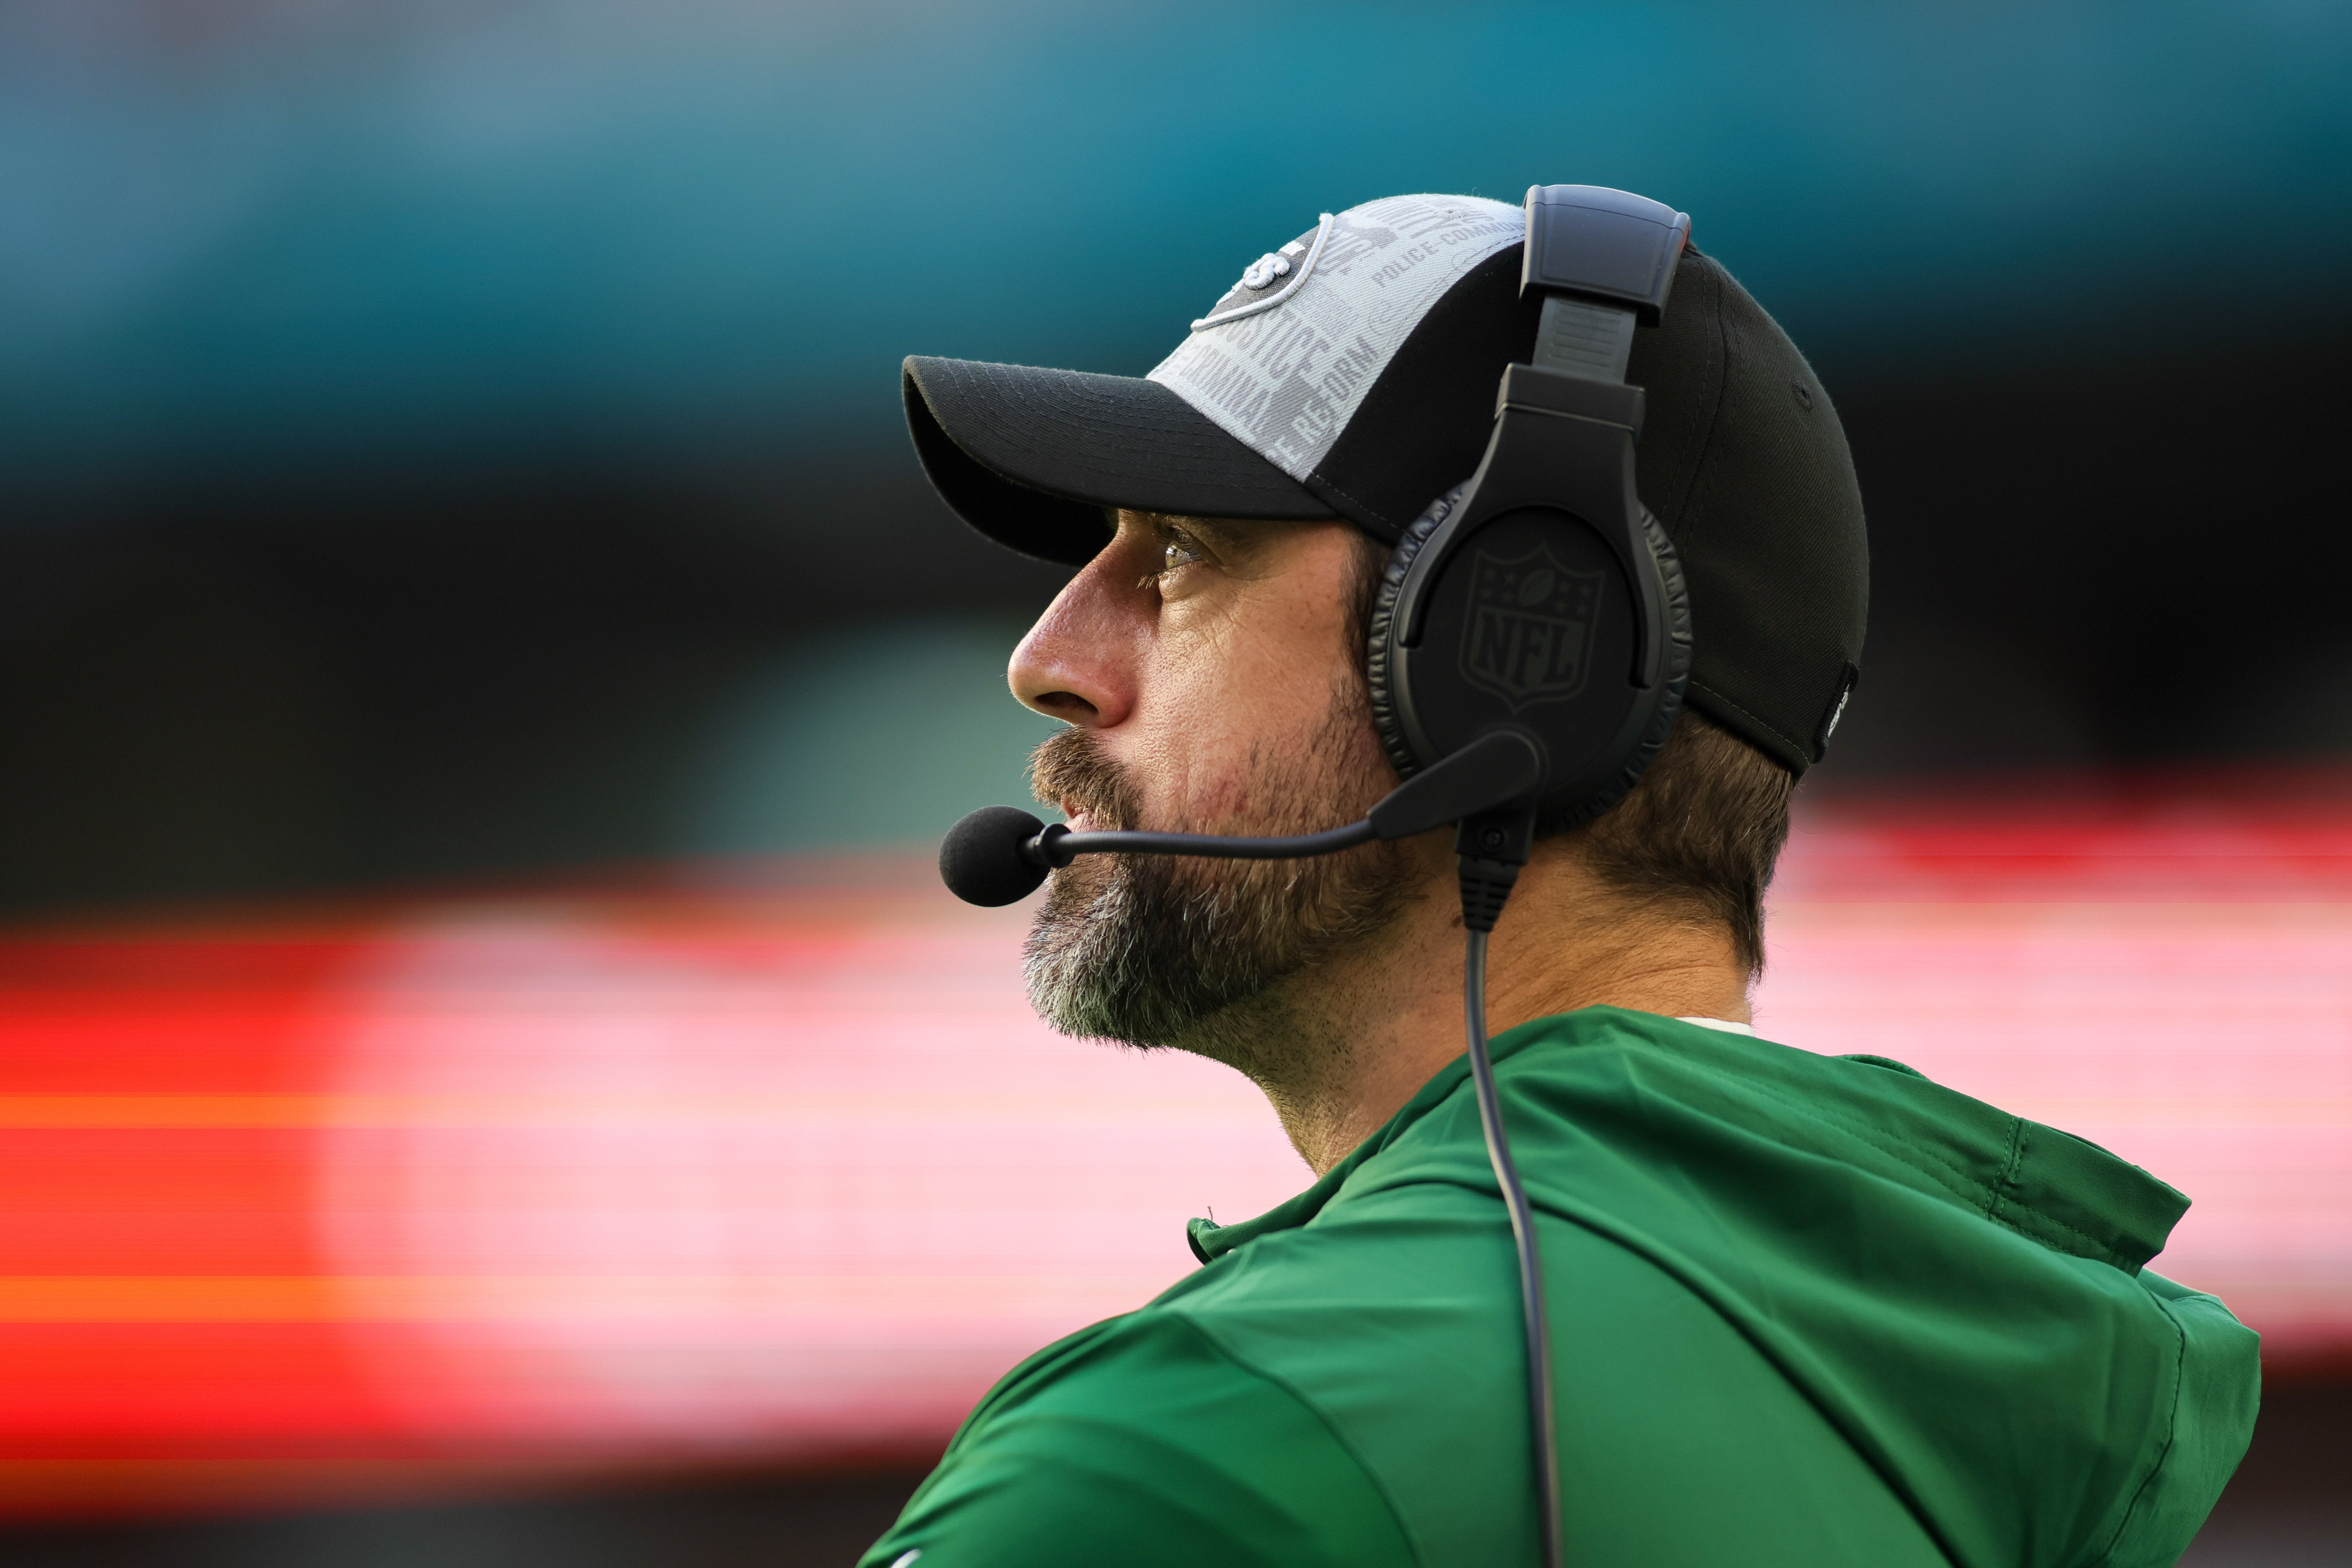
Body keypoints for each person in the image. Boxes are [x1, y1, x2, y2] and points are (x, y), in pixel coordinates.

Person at [866, 192, 2258, 1567]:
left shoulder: (1196, 1455)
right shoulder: (1973, 1394)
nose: (1048, 661)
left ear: (1505, 663)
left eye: (1180, 561)